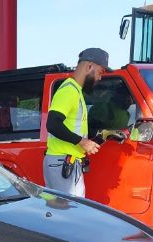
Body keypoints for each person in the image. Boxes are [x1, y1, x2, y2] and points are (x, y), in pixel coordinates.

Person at [43, 48, 110, 197]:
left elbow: (72, 126)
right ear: (89, 67)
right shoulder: (69, 91)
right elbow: (53, 124)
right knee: (68, 214)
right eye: (100, 72)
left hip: (65, 162)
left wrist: (103, 134)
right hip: (63, 161)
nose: (100, 78)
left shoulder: (75, 91)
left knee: (63, 211)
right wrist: (82, 142)